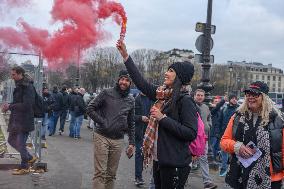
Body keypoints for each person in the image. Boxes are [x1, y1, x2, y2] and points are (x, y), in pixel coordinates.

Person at [117, 41, 197, 189]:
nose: (166, 73)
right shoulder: (163, 95)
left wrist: (163, 118)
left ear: (179, 76)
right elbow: (141, 83)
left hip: (175, 163)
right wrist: (125, 56)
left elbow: (190, 132)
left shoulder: (185, 101)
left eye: (171, 71)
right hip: (160, 159)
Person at [220, 81, 284, 189]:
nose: (250, 97)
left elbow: (282, 148)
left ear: (264, 97)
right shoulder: (237, 117)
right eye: (248, 94)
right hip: (240, 174)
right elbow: (224, 141)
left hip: (270, 178)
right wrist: (237, 147)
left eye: (255, 94)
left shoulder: (277, 119)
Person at [87, 70, 135, 189]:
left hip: (118, 140)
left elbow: (131, 122)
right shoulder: (106, 93)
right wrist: (103, 122)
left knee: (111, 175)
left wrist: (132, 143)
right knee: (100, 173)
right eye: (122, 79)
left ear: (130, 83)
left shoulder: (131, 100)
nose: (124, 82)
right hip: (102, 136)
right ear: (118, 80)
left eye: (127, 80)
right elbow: (90, 108)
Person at [1, 66, 37, 175]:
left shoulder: (28, 87)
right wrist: (10, 106)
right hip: (17, 119)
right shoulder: (19, 85)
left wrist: (10, 106)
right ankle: (29, 157)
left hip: (24, 120)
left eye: (14, 74)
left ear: (20, 74)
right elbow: (19, 102)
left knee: (20, 143)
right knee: (11, 140)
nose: (12, 77)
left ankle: (25, 166)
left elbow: (27, 105)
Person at [193, 89, 218, 189]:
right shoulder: (190, 105)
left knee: (204, 159)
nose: (200, 97)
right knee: (187, 161)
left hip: (204, 138)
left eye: (201, 95)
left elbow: (209, 118)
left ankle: (207, 182)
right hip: (192, 138)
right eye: (198, 95)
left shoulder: (206, 107)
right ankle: (180, 180)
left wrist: (208, 125)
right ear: (194, 96)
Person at [134, 92, 153, 186]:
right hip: (140, 133)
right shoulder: (136, 99)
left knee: (150, 156)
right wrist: (140, 118)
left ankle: (154, 180)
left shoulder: (152, 99)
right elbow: (130, 116)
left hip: (151, 132)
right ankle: (138, 177)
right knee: (139, 154)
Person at [219, 94, 238, 177]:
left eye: (236, 99)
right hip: (224, 134)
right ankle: (224, 169)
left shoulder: (238, 110)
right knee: (224, 152)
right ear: (230, 100)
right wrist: (219, 133)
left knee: (233, 154)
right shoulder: (224, 109)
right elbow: (220, 121)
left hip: (235, 135)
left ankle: (231, 170)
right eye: (233, 98)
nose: (234, 100)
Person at [209, 96, 226, 163]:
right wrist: (223, 100)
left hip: (218, 132)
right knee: (212, 146)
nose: (217, 103)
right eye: (215, 102)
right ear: (213, 103)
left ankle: (215, 159)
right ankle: (211, 160)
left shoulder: (221, 110)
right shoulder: (212, 109)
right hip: (213, 132)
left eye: (217, 102)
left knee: (217, 147)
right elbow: (217, 107)